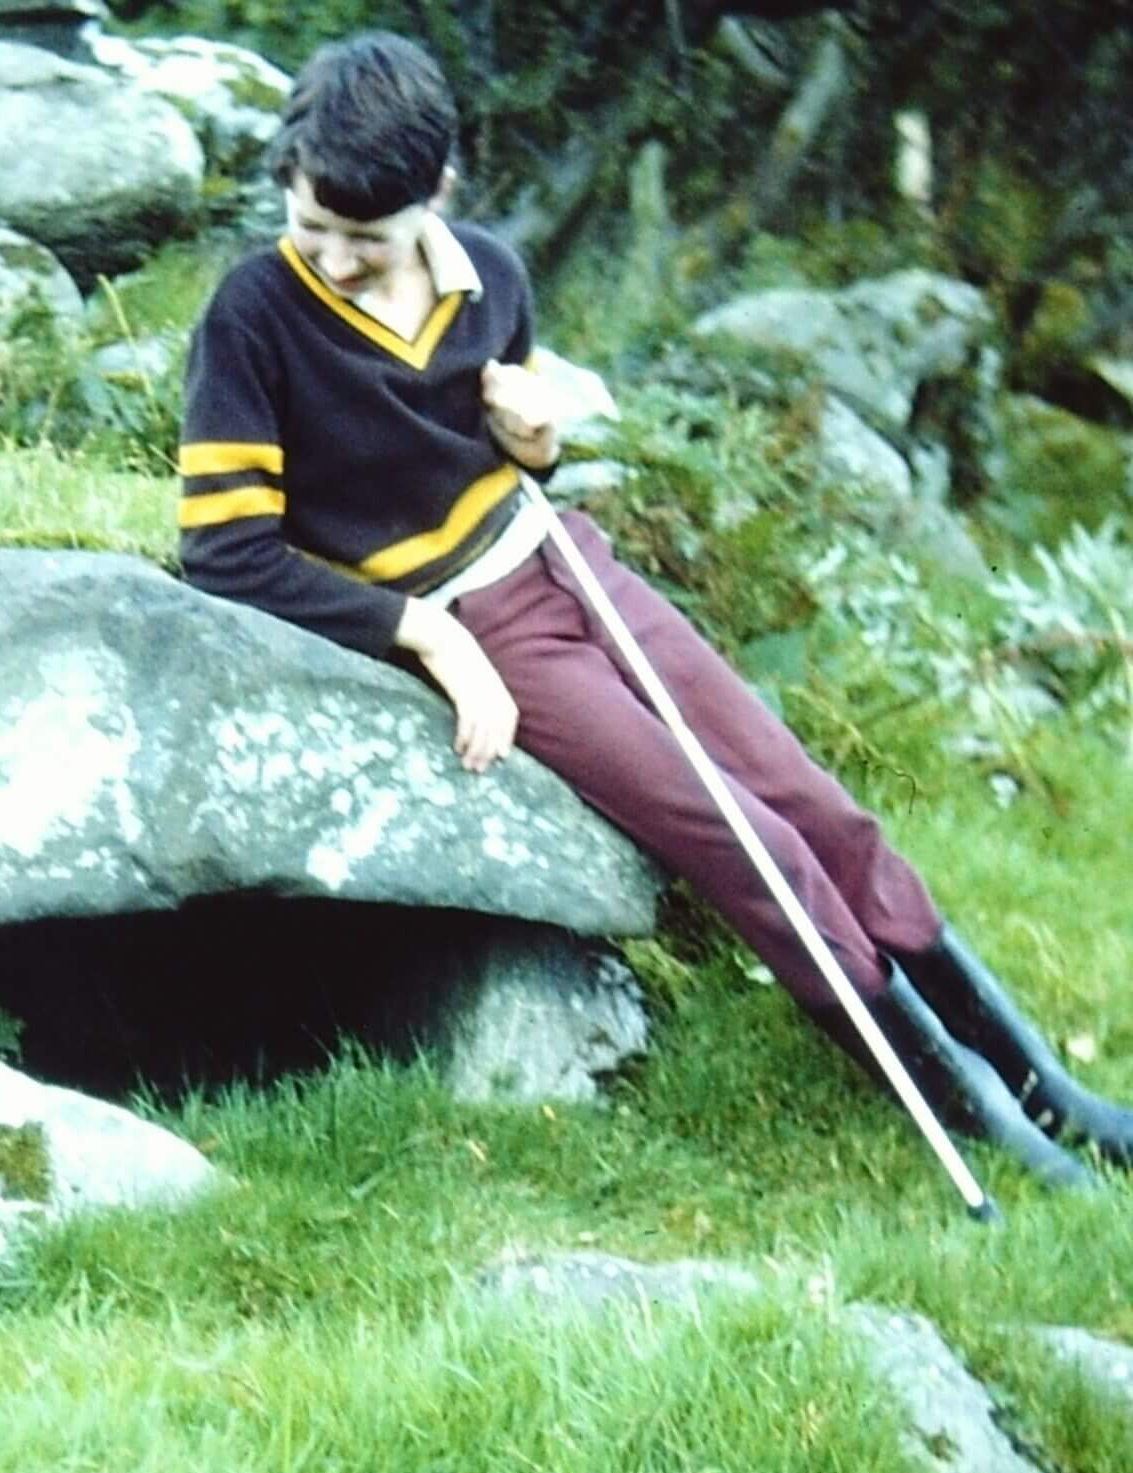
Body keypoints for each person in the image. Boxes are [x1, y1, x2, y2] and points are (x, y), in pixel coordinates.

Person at [177, 30, 1130, 1190]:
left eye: (364, 244)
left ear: (437, 192)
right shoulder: (253, 317)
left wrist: (537, 438)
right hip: (487, 626)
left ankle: (1041, 1080)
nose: (330, 258)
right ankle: (978, 1116)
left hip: (575, 568)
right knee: (751, 845)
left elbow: (493, 457)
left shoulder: (490, 276)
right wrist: (427, 637)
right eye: (308, 224)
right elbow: (224, 552)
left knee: (820, 812)